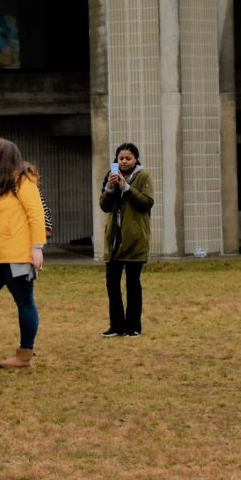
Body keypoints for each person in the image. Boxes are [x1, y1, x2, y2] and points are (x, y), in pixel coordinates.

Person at [0, 137, 47, 370]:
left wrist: (36, 248)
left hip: (15, 255)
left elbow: (36, 214)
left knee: (24, 301)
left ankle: (25, 355)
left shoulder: (22, 180)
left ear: (3, 155)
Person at [98, 143, 154, 338]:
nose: (123, 162)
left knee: (132, 283)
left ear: (136, 159)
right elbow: (104, 206)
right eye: (120, 158)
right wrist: (110, 187)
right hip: (114, 240)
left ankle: (133, 326)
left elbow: (147, 203)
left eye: (128, 158)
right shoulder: (111, 177)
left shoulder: (144, 176)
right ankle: (116, 325)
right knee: (111, 282)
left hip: (135, 239)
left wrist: (126, 187)